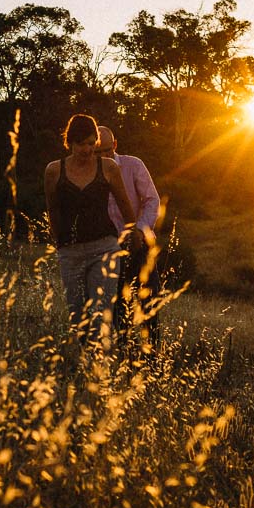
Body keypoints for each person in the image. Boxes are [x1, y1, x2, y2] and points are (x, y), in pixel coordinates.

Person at [44, 114, 140, 352]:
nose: (86, 149)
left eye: (90, 143)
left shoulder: (108, 168)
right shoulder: (54, 171)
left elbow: (125, 206)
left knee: (99, 316)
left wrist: (134, 234)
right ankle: (84, 370)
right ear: (70, 143)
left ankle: (101, 369)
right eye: (80, 144)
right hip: (71, 252)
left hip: (104, 249)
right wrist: (60, 244)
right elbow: (52, 210)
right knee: (78, 319)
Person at [96, 126, 161, 351]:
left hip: (140, 243)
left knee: (149, 302)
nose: (102, 156)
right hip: (109, 246)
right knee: (117, 308)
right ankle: (124, 354)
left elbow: (152, 200)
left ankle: (152, 357)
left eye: (105, 150)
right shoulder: (91, 172)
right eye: (97, 151)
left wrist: (140, 230)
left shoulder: (133, 165)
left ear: (114, 145)